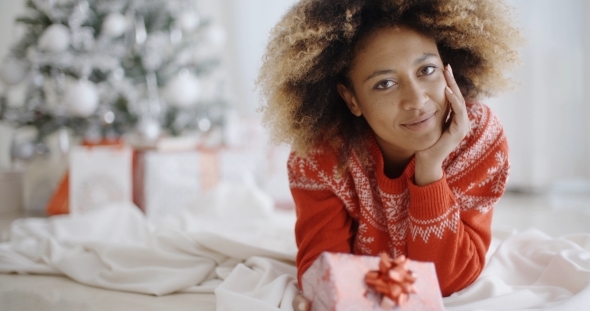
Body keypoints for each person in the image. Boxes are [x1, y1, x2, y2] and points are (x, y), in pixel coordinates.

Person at [257, 0, 523, 309]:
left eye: (426, 70)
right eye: (385, 84)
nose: (417, 99)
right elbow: (323, 272)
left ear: (447, 66)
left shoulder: (478, 139)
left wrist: (430, 170)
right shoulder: (321, 154)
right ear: (351, 98)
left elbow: (447, 282)